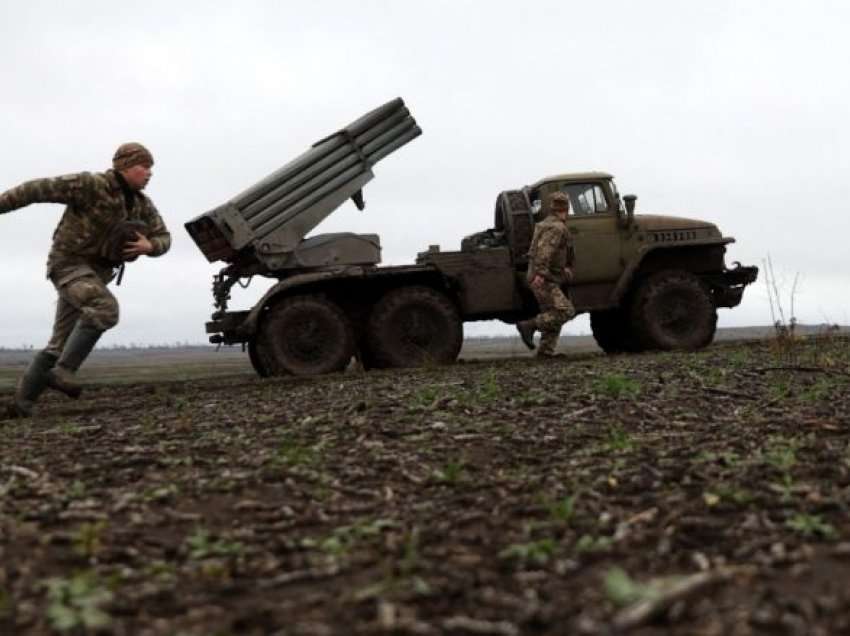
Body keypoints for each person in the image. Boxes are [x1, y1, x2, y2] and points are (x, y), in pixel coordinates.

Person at [0, 143, 171, 418]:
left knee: (58, 344)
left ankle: (21, 405)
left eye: (151, 168)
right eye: (145, 166)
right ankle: (64, 373)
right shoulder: (90, 185)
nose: (150, 173)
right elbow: (34, 189)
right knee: (105, 309)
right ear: (125, 166)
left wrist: (151, 246)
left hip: (95, 275)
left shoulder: (141, 205)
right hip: (68, 265)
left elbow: (165, 237)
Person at [516, 191, 576, 357]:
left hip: (544, 275)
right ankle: (529, 326)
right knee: (565, 311)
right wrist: (541, 275)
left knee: (552, 312)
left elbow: (550, 253)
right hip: (543, 278)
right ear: (565, 209)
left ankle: (545, 352)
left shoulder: (545, 224)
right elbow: (544, 251)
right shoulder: (557, 227)